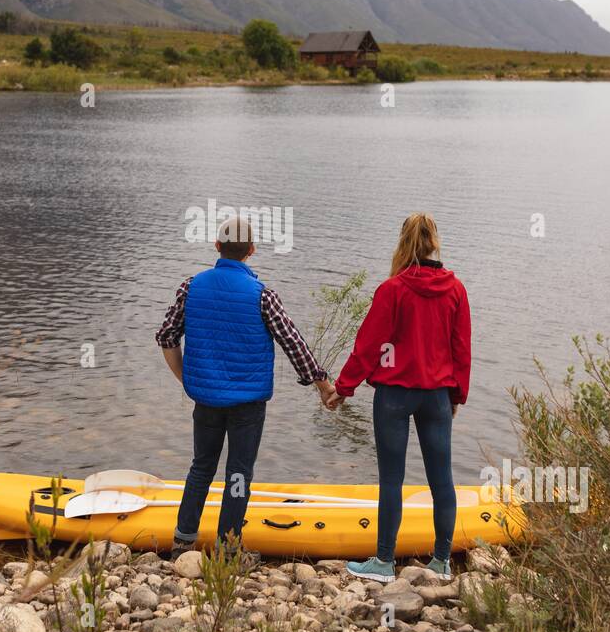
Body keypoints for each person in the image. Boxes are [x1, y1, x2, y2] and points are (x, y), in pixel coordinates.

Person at [156, 215, 335, 567]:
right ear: (251, 251)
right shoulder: (262, 295)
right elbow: (292, 342)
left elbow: (166, 337)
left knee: (201, 467)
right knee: (238, 473)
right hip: (248, 405)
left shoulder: (190, 287)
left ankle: (183, 541)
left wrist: (186, 378)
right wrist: (322, 384)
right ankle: (228, 549)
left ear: (217, 246)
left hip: (205, 400)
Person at [326, 213, 472, 582]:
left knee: (392, 479)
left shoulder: (392, 289)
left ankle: (385, 562)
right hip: (436, 395)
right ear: (434, 242)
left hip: (394, 395)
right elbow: (462, 350)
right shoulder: (455, 290)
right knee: (442, 479)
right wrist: (457, 394)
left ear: (402, 241)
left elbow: (369, 345)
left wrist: (344, 388)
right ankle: (441, 562)